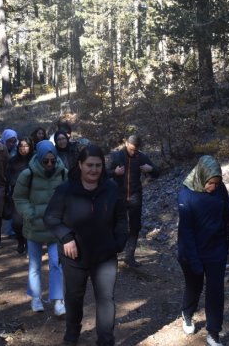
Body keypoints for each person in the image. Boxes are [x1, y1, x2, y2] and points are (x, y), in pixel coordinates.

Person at [44, 145, 128, 346]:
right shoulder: (65, 190)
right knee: (73, 298)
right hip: (74, 257)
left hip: (105, 256)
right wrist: (66, 237)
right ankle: (72, 336)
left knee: (106, 299)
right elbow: (50, 217)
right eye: (90, 165)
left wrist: (118, 242)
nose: (94, 169)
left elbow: (121, 219)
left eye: (98, 165)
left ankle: (106, 340)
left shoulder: (111, 189)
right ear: (80, 165)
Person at [177, 155, 229, 346]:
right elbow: (186, 231)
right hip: (192, 250)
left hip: (216, 249)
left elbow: (227, 216)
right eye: (209, 183)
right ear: (201, 176)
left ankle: (213, 333)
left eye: (216, 183)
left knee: (215, 291)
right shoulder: (185, 194)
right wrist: (194, 261)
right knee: (194, 286)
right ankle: (187, 314)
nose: (212, 187)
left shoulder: (220, 189)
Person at [13, 140, 68, 315]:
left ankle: (58, 300)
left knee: (56, 264)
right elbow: (19, 197)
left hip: (55, 229)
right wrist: (30, 212)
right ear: (39, 158)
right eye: (46, 161)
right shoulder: (27, 175)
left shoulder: (63, 174)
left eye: (53, 160)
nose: (50, 164)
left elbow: (71, 196)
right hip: (34, 227)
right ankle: (36, 298)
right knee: (34, 265)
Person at [107, 134, 159, 267]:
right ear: (126, 144)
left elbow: (157, 172)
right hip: (119, 196)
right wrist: (115, 172)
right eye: (131, 149)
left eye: (135, 150)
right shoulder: (117, 156)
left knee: (135, 226)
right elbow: (103, 173)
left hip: (135, 196)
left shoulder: (141, 157)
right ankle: (111, 255)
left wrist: (151, 169)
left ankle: (129, 256)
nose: (133, 152)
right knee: (117, 226)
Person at [6, 137, 34, 254]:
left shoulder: (34, 160)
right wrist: (17, 182)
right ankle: (20, 240)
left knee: (29, 220)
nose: (24, 148)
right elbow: (8, 176)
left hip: (32, 194)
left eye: (26, 146)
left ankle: (28, 243)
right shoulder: (13, 161)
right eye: (21, 146)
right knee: (17, 222)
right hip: (17, 194)